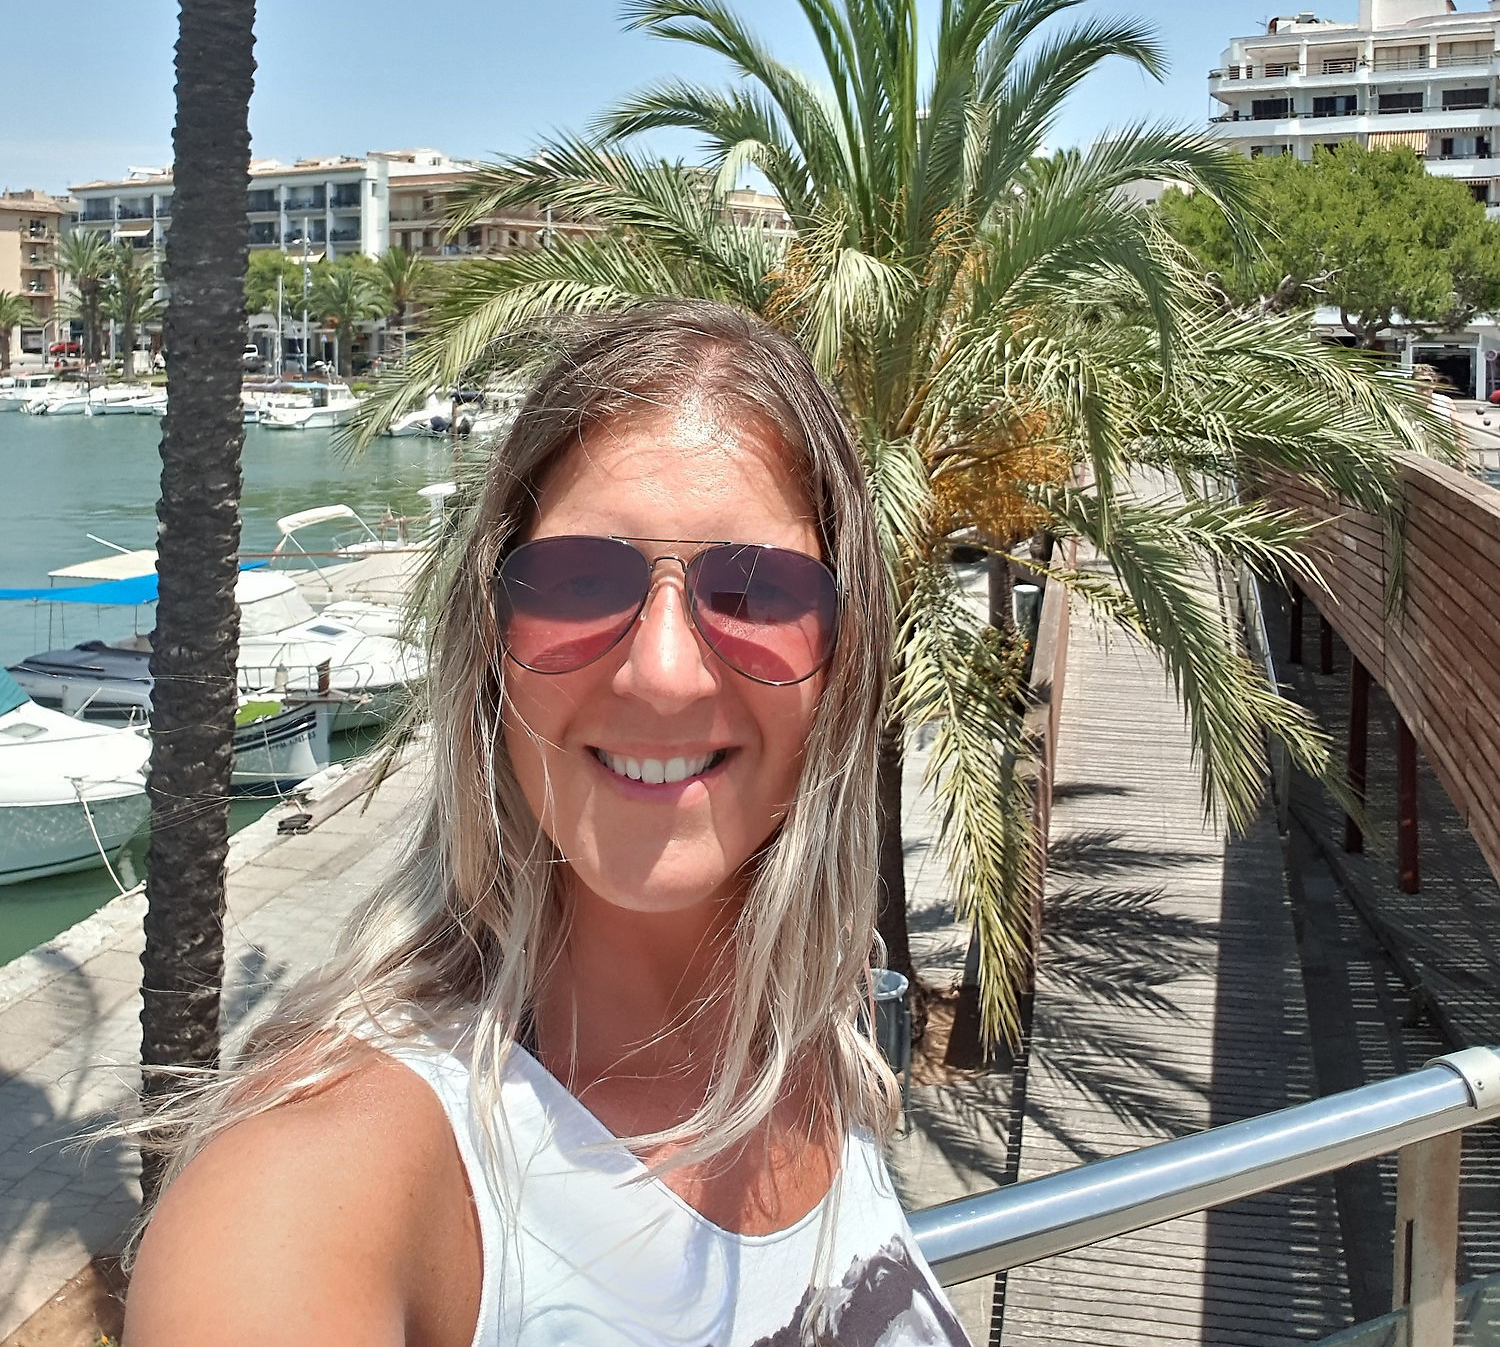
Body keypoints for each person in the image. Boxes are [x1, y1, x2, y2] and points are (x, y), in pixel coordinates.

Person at [126, 302, 967, 1347]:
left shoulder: (811, 1040)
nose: (663, 673)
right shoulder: (312, 1186)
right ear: (491, 643)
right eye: (578, 583)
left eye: (755, 590)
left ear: (843, 655)